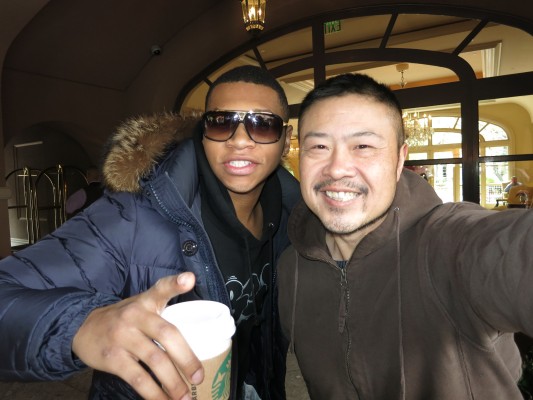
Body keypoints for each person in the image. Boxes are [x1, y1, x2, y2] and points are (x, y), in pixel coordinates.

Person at [0, 65, 300, 400]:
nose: (240, 140)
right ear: (203, 133)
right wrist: (80, 324)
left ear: (285, 140)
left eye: (263, 124)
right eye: (221, 122)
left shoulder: (292, 219)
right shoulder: (131, 217)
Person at [277, 72, 533, 399]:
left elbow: (514, 252)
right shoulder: (291, 267)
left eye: (363, 146)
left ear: (399, 160)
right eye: (319, 146)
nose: (337, 168)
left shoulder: (446, 244)